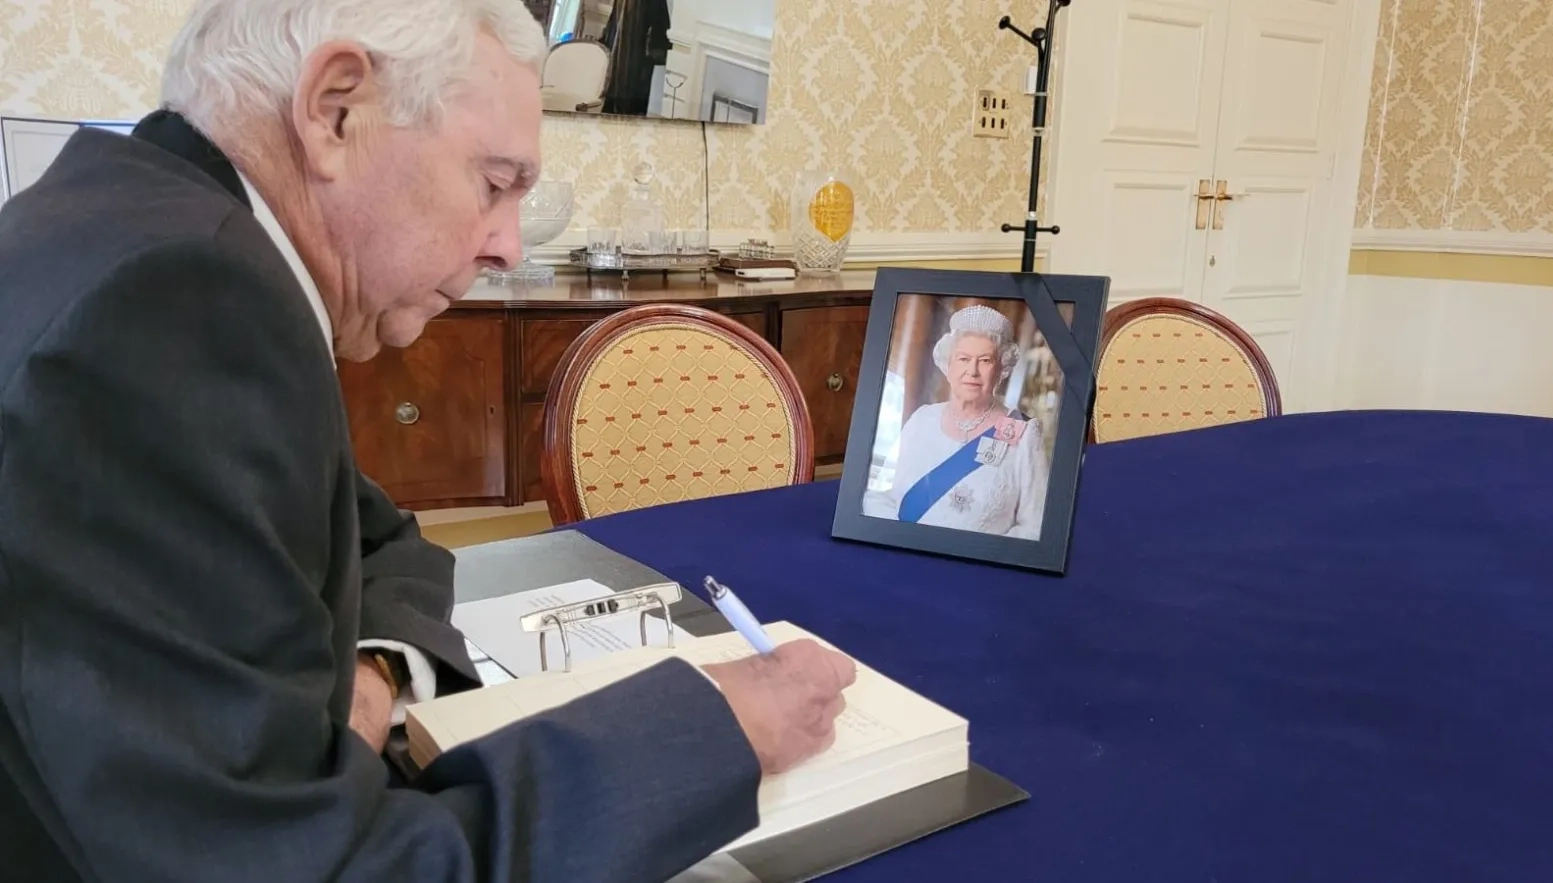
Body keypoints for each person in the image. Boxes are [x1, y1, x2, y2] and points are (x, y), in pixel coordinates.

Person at [0, 1, 854, 881]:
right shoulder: (174, 306)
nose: (507, 246)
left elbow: (380, 538)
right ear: (336, 109)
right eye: (494, 184)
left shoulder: (146, 233)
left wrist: (369, 673)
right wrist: (718, 730)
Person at [863, 305, 1051, 539]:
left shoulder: (1024, 432)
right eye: (963, 359)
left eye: (985, 360)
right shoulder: (922, 420)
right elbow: (880, 496)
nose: (972, 371)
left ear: (1001, 369)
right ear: (948, 365)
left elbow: (1036, 526)